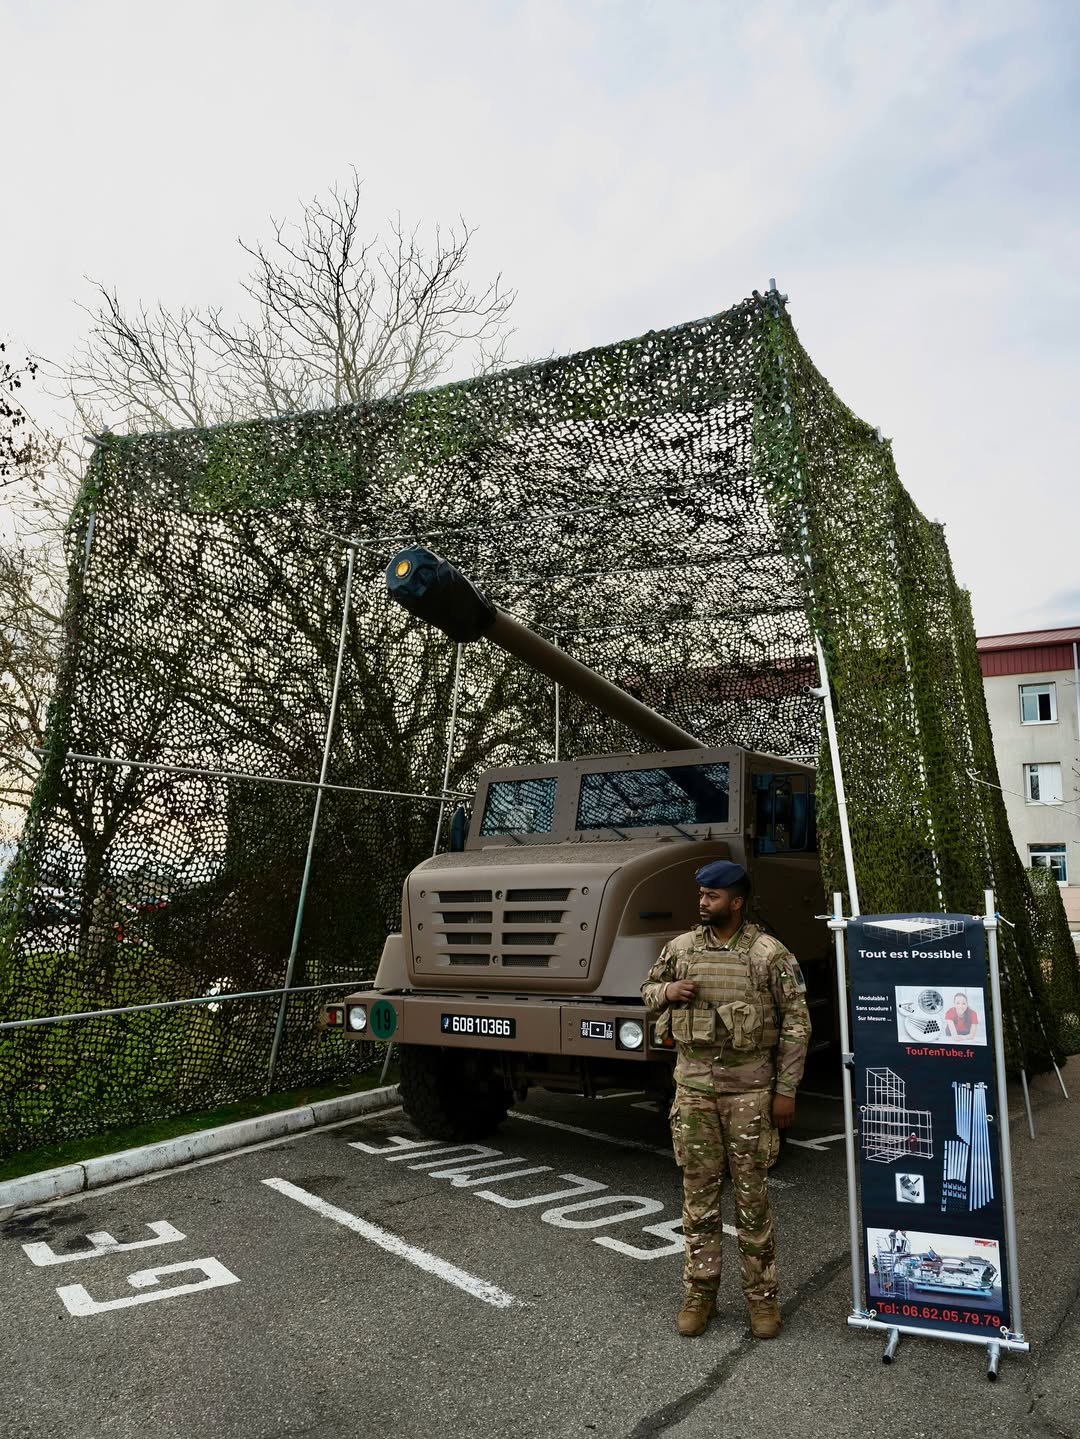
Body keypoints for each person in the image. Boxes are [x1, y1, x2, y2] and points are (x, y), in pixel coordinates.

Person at [641, 859, 811, 1340]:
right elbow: (647, 990)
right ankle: (700, 1296)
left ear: (736, 901)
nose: (702, 902)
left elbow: (797, 1023)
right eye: (700, 894)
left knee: (753, 1201)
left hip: (750, 1095)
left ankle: (762, 1302)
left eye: (712, 896)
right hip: (694, 1091)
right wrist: (668, 990)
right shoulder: (680, 948)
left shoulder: (767, 954)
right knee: (698, 1200)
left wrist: (785, 1090)